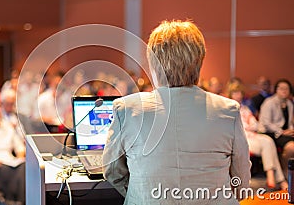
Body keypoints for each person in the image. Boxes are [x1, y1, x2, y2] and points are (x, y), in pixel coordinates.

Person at [102, 20, 251, 204]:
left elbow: (112, 171)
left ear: (154, 65)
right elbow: (241, 177)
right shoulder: (228, 110)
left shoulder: (126, 109)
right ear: (199, 62)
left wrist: (140, 194)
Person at [227, 82, 287, 189]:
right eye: (235, 93)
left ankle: (271, 176)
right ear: (231, 94)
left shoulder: (245, 108)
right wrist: (247, 127)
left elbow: (255, 125)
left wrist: (250, 126)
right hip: (239, 138)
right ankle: (278, 179)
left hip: (251, 135)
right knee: (266, 143)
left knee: (268, 140)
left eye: (240, 92)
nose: (238, 95)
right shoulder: (227, 109)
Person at [259, 79, 294, 176]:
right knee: (291, 147)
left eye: (286, 89)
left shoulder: (289, 104)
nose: (284, 91)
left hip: (284, 133)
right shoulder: (269, 102)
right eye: (281, 88)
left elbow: (289, 122)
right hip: (269, 132)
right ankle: (285, 172)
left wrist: (290, 130)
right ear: (276, 90)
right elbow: (266, 123)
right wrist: (282, 131)